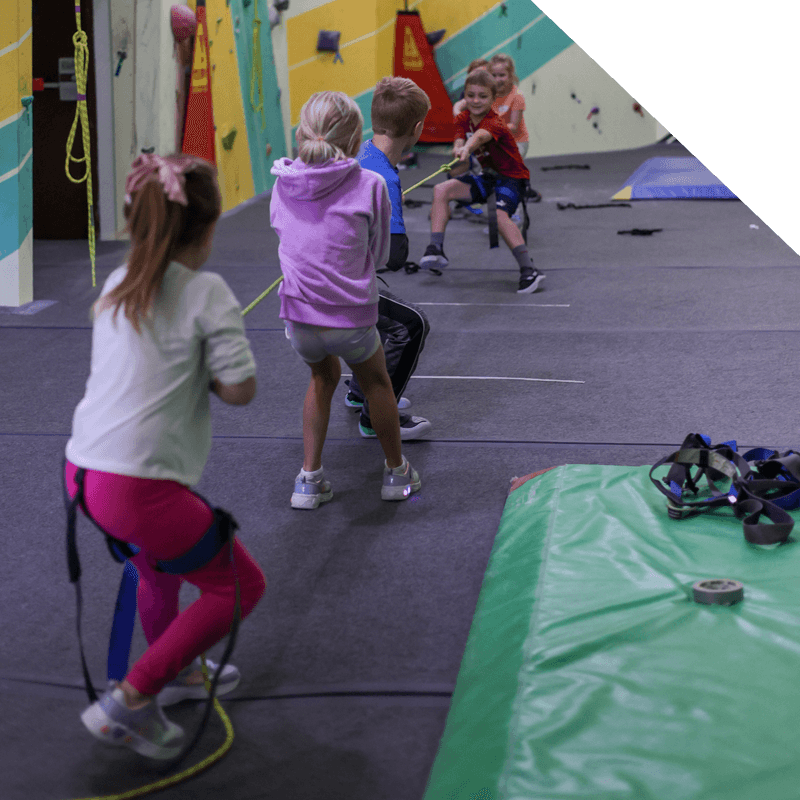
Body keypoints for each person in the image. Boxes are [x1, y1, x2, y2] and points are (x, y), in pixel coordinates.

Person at [64, 153, 267, 759]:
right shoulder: (208, 291)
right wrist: (203, 368)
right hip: (136, 487)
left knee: (158, 565)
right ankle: (131, 698)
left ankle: (178, 675)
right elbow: (241, 390)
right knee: (239, 587)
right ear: (206, 231)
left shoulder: (119, 281)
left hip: (83, 473)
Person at [270, 91, 422, 509]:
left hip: (298, 318)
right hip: (351, 318)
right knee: (376, 383)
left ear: (303, 134)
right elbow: (378, 258)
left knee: (322, 380)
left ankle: (308, 481)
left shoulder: (281, 183)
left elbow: (285, 236)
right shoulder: (371, 184)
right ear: (358, 141)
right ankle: (397, 473)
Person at [348, 76, 433, 441]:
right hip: (343, 279)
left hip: (329, 271)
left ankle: (358, 390)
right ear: (417, 129)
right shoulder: (384, 176)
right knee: (411, 325)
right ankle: (375, 416)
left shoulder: (362, 153)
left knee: (380, 315)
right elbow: (396, 255)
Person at [419, 68, 545, 294]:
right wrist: (458, 148)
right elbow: (459, 139)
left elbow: (480, 137)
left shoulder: (494, 122)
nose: (476, 101)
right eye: (471, 95)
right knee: (441, 190)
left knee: (499, 215)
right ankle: (436, 248)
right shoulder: (464, 118)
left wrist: (467, 147)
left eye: (483, 96)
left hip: (512, 178)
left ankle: (529, 271)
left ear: (493, 98)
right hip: (488, 177)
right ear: (465, 95)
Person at [488, 53, 529, 159]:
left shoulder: (517, 95)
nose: (497, 80)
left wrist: (489, 131)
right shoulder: (488, 94)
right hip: (493, 140)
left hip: (516, 142)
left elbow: (513, 126)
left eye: (502, 75)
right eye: (494, 75)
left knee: (504, 162)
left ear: (510, 76)